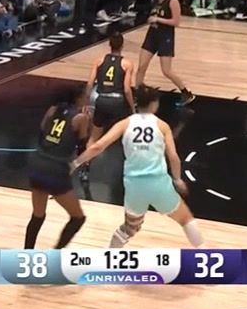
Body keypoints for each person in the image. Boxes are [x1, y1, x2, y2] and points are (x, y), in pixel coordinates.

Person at [70, 86, 204, 249]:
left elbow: (98, 146)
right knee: (185, 219)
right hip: (159, 183)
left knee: (129, 228)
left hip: (134, 186)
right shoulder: (162, 126)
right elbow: (173, 157)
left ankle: (110, 257)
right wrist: (177, 179)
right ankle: (205, 254)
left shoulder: (124, 124)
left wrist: (75, 163)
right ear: (154, 104)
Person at [24, 89, 90, 249]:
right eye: (86, 96)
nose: (88, 98)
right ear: (79, 98)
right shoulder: (81, 117)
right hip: (55, 170)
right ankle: (56, 253)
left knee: (37, 216)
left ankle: (27, 254)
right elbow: (82, 147)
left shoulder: (52, 110)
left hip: (37, 163)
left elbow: (41, 134)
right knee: (78, 218)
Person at [135, 0, 195, 106]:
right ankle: (138, 96)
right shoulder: (154, 0)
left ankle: (186, 93)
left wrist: (158, 20)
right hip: (152, 35)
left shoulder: (172, 1)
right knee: (141, 67)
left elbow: (176, 22)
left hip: (165, 37)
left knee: (166, 71)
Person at [86, 33, 135, 141]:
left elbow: (89, 84)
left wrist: (87, 103)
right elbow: (127, 90)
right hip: (118, 102)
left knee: (94, 137)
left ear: (109, 45)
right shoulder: (127, 64)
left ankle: (88, 151)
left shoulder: (99, 61)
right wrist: (132, 107)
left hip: (101, 100)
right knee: (124, 136)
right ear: (122, 46)